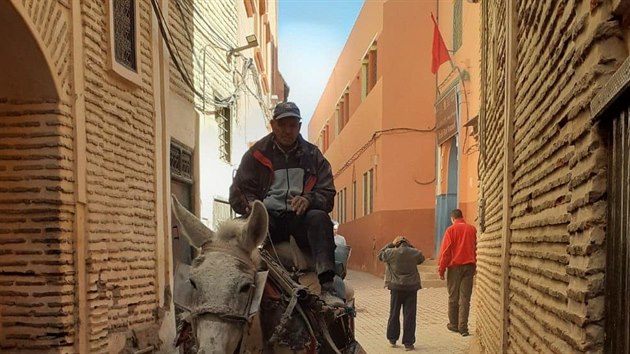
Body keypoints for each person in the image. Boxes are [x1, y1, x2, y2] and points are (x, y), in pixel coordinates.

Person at [229, 101, 342, 306]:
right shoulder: (256, 155)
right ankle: (233, 282)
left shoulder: (313, 156)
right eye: (283, 125)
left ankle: (327, 286)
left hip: (301, 220)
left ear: (299, 126)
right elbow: (239, 192)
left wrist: (309, 199)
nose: (288, 131)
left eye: (293, 125)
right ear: (273, 125)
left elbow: (327, 193)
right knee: (241, 231)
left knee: (320, 219)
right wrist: (254, 207)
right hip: (269, 219)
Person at [378, 235, 425, 351]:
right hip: (411, 288)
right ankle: (408, 343)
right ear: (407, 243)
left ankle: (392, 338)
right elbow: (421, 258)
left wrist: (391, 244)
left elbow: (380, 255)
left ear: (397, 244)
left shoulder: (390, 253)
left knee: (394, 313)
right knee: (410, 315)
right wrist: (410, 246)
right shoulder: (414, 253)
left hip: (396, 287)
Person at [437, 209, 477, 337]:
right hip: (469, 266)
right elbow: (476, 246)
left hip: (454, 268)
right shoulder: (472, 229)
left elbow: (446, 252)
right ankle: (463, 328)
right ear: (462, 217)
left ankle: (453, 325)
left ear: (453, 219)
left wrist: (441, 269)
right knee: (465, 298)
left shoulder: (451, 230)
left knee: (453, 297)